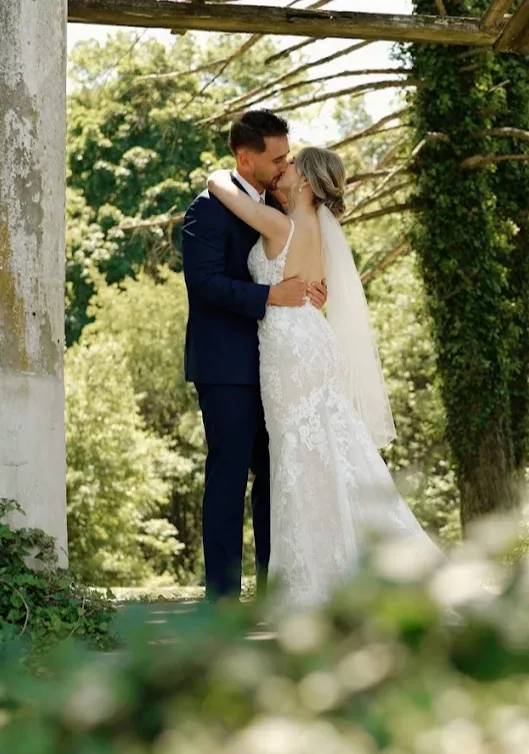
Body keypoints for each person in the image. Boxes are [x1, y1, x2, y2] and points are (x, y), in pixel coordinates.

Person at [205, 144, 444, 613]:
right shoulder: (316, 228)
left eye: (290, 165)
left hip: (289, 349)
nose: (283, 169)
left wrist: (222, 170)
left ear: (307, 183)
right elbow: (319, 288)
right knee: (327, 454)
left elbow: (219, 188)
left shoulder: (281, 224)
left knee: (297, 458)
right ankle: (346, 567)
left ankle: (313, 581)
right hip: (313, 338)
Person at [179, 110, 326, 603]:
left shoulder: (280, 209)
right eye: (277, 157)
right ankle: (221, 601)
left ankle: (273, 590)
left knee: (276, 475)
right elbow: (203, 285)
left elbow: (292, 264)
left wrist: (308, 290)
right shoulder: (206, 209)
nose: (285, 165)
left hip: (279, 363)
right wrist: (269, 298)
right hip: (227, 368)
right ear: (246, 158)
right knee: (228, 474)